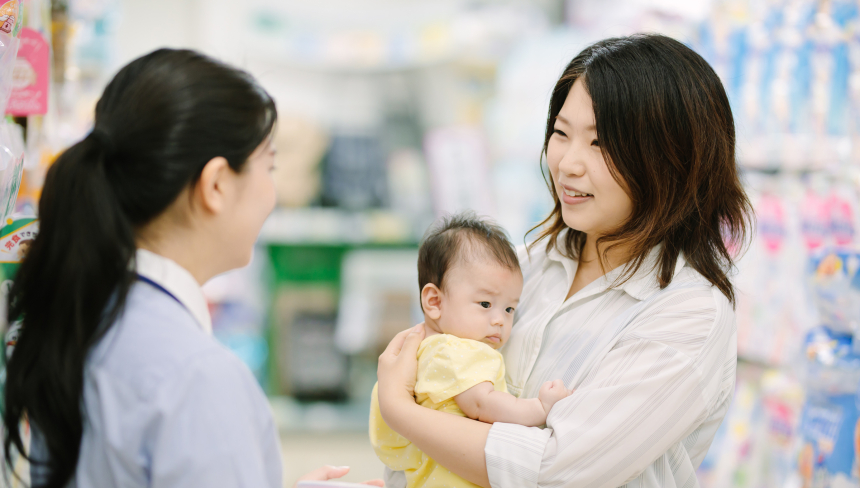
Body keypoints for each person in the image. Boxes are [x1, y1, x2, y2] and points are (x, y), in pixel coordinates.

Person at [376, 33, 753, 488]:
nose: (568, 164)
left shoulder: (688, 313)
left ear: (670, 159)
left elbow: (556, 470)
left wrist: (399, 410)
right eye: (561, 133)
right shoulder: (527, 266)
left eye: (600, 143)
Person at [1, 49, 381, 488]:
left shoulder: (83, 319)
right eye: (269, 167)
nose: (273, 194)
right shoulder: (198, 376)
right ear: (216, 185)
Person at [369, 213, 571, 488]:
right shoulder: (455, 351)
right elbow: (482, 404)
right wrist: (538, 408)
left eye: (510, 308)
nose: (500, 319)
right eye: (486, 304)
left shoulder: (422, 354)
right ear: (434, 302)